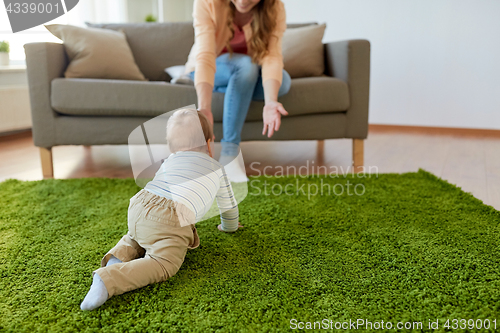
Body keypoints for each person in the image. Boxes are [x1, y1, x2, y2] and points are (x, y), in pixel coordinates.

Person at [80, 109, 242, 311]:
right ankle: (109, 279)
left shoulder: (170, 161)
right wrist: (229, 227)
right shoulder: (218, 169)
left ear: (172, 148)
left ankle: (115, 259)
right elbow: (229, 209)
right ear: (209, 143)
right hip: (172, 217)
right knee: (164, 263)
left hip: (140, 205)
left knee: (137, 236)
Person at [185, 0, 291, 181]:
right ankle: (229, 156)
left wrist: (271, 101)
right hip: (212, 68)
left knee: (284, 81)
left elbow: (272, 57)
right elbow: (205, 56)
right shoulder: (207, 2)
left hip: (247, 70)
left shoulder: (274, 6)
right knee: (246, 66)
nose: (243, 1)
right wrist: (204, 108)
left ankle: (237, 87)